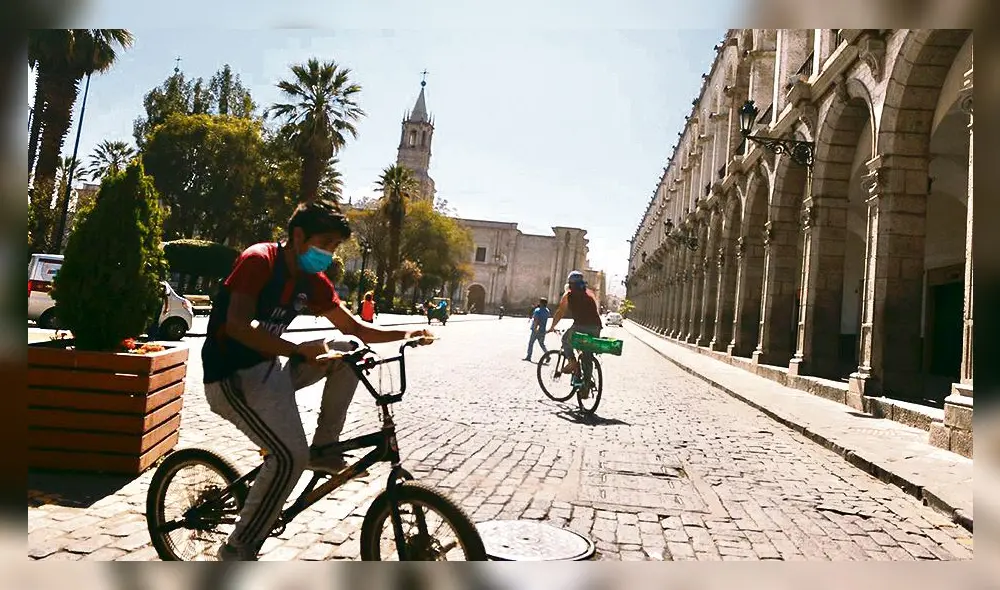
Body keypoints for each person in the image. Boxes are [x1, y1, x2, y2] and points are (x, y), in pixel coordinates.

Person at [201, 199, 434, 561]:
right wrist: (297, 350)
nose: (328, 253)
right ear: (298, 236)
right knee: (288, 457)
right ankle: (235, 551)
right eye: (324, 243)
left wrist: (409, 332)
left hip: (269, 370)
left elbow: (356, 328)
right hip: (229, 378)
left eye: (334, 247)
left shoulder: (312, 280)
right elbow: (236, 326)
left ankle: (325, 447)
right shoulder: (259, 260)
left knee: (347, 347)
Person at [547, 271, 602, 398]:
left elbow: (560, 312)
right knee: (587, 354)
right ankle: (586, 386)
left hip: (581, 326)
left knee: (566, 339)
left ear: (570, 283)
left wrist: (552, 327)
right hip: (596, 327)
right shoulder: (590, 293)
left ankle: (572, 362)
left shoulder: (569, 295)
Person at [524, 297, 550, 361]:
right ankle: (547, 355)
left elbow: (536, 320)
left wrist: (535, 328)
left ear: (541, 303)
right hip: (543, 330)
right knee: (542, 344)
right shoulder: (547, 311)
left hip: (536, 330)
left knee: (531, 343)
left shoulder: (537, 310)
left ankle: (529, 356)